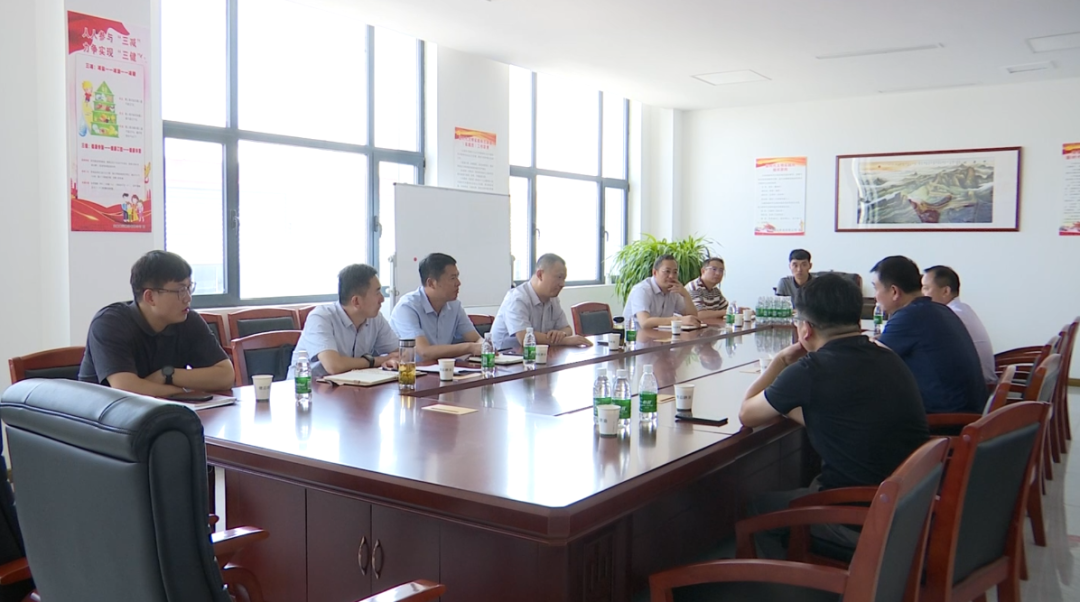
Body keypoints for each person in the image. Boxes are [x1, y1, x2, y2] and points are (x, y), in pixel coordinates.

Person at [739, 273, 929, 560]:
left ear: (805, 329)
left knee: (756, 509)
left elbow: (747, 413)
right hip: (908, 505)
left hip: (856, 516)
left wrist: (779, 361)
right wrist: (786, 401)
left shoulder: (811, 370)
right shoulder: (888, 356)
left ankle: (793, 579)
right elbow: (839, 420)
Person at [78, 250, 235, 396]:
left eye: (189, 288)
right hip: (102, 414)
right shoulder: (110, 323)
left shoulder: (187, 320)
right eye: (180, 290)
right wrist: (182, 392)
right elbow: (126, 390)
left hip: (164, 413)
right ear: (150, 297)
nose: (188, 298)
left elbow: (226, 375)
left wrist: (167, 374)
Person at [871, 256, 986, 413]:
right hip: (969, 409)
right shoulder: (939, 309)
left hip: (946, 418)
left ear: (894, 292)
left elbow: (871, 362)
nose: (875, 296)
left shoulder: (909, 316)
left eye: (876, 288)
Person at [290, 264, 399, 378]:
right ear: (356, 301)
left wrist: (392, 361)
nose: (382, 299)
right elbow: (334, 366)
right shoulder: (320, 317)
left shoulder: (375, 318)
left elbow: (401, 353)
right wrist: (378, 360)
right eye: (377, 293)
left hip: (350, 384)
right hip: (306, 386)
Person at [390, 253, 482, 361]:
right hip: (410, 370)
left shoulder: (454, 306)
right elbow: (424, 352)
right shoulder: (407, 307)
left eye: (457, 277)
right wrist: (470, 347)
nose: (458, 283)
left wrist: (484, 345)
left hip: (441, 368)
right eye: (452, 278)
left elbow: (476, 339)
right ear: (431, 283)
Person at [490, 254, 593, 350]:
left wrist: (561, 334)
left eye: (564, 279)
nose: (562, 284)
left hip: (534, 355)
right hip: (504, 358)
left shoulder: (552, 299)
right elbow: (524, 337)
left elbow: (567, 329)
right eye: (559, 277)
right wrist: (565, 340)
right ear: (540, 275)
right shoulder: (517, 298)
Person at [922, 266, 996, 385]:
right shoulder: (962, 309)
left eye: (926, 288)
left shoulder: (951, 315)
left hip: (976, 387)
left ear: (945, 291)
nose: (922, 294)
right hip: (979, 382)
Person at [622, 254, 701, 329]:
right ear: (654, 272)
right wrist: (677, 320)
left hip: (661, 335)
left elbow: (693, 318)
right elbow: (645, 323)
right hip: (635, 336)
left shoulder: (674, 290)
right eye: (667, 271)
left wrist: (686, 295)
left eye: (675, 272)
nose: (671, 276)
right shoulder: (642, 290)